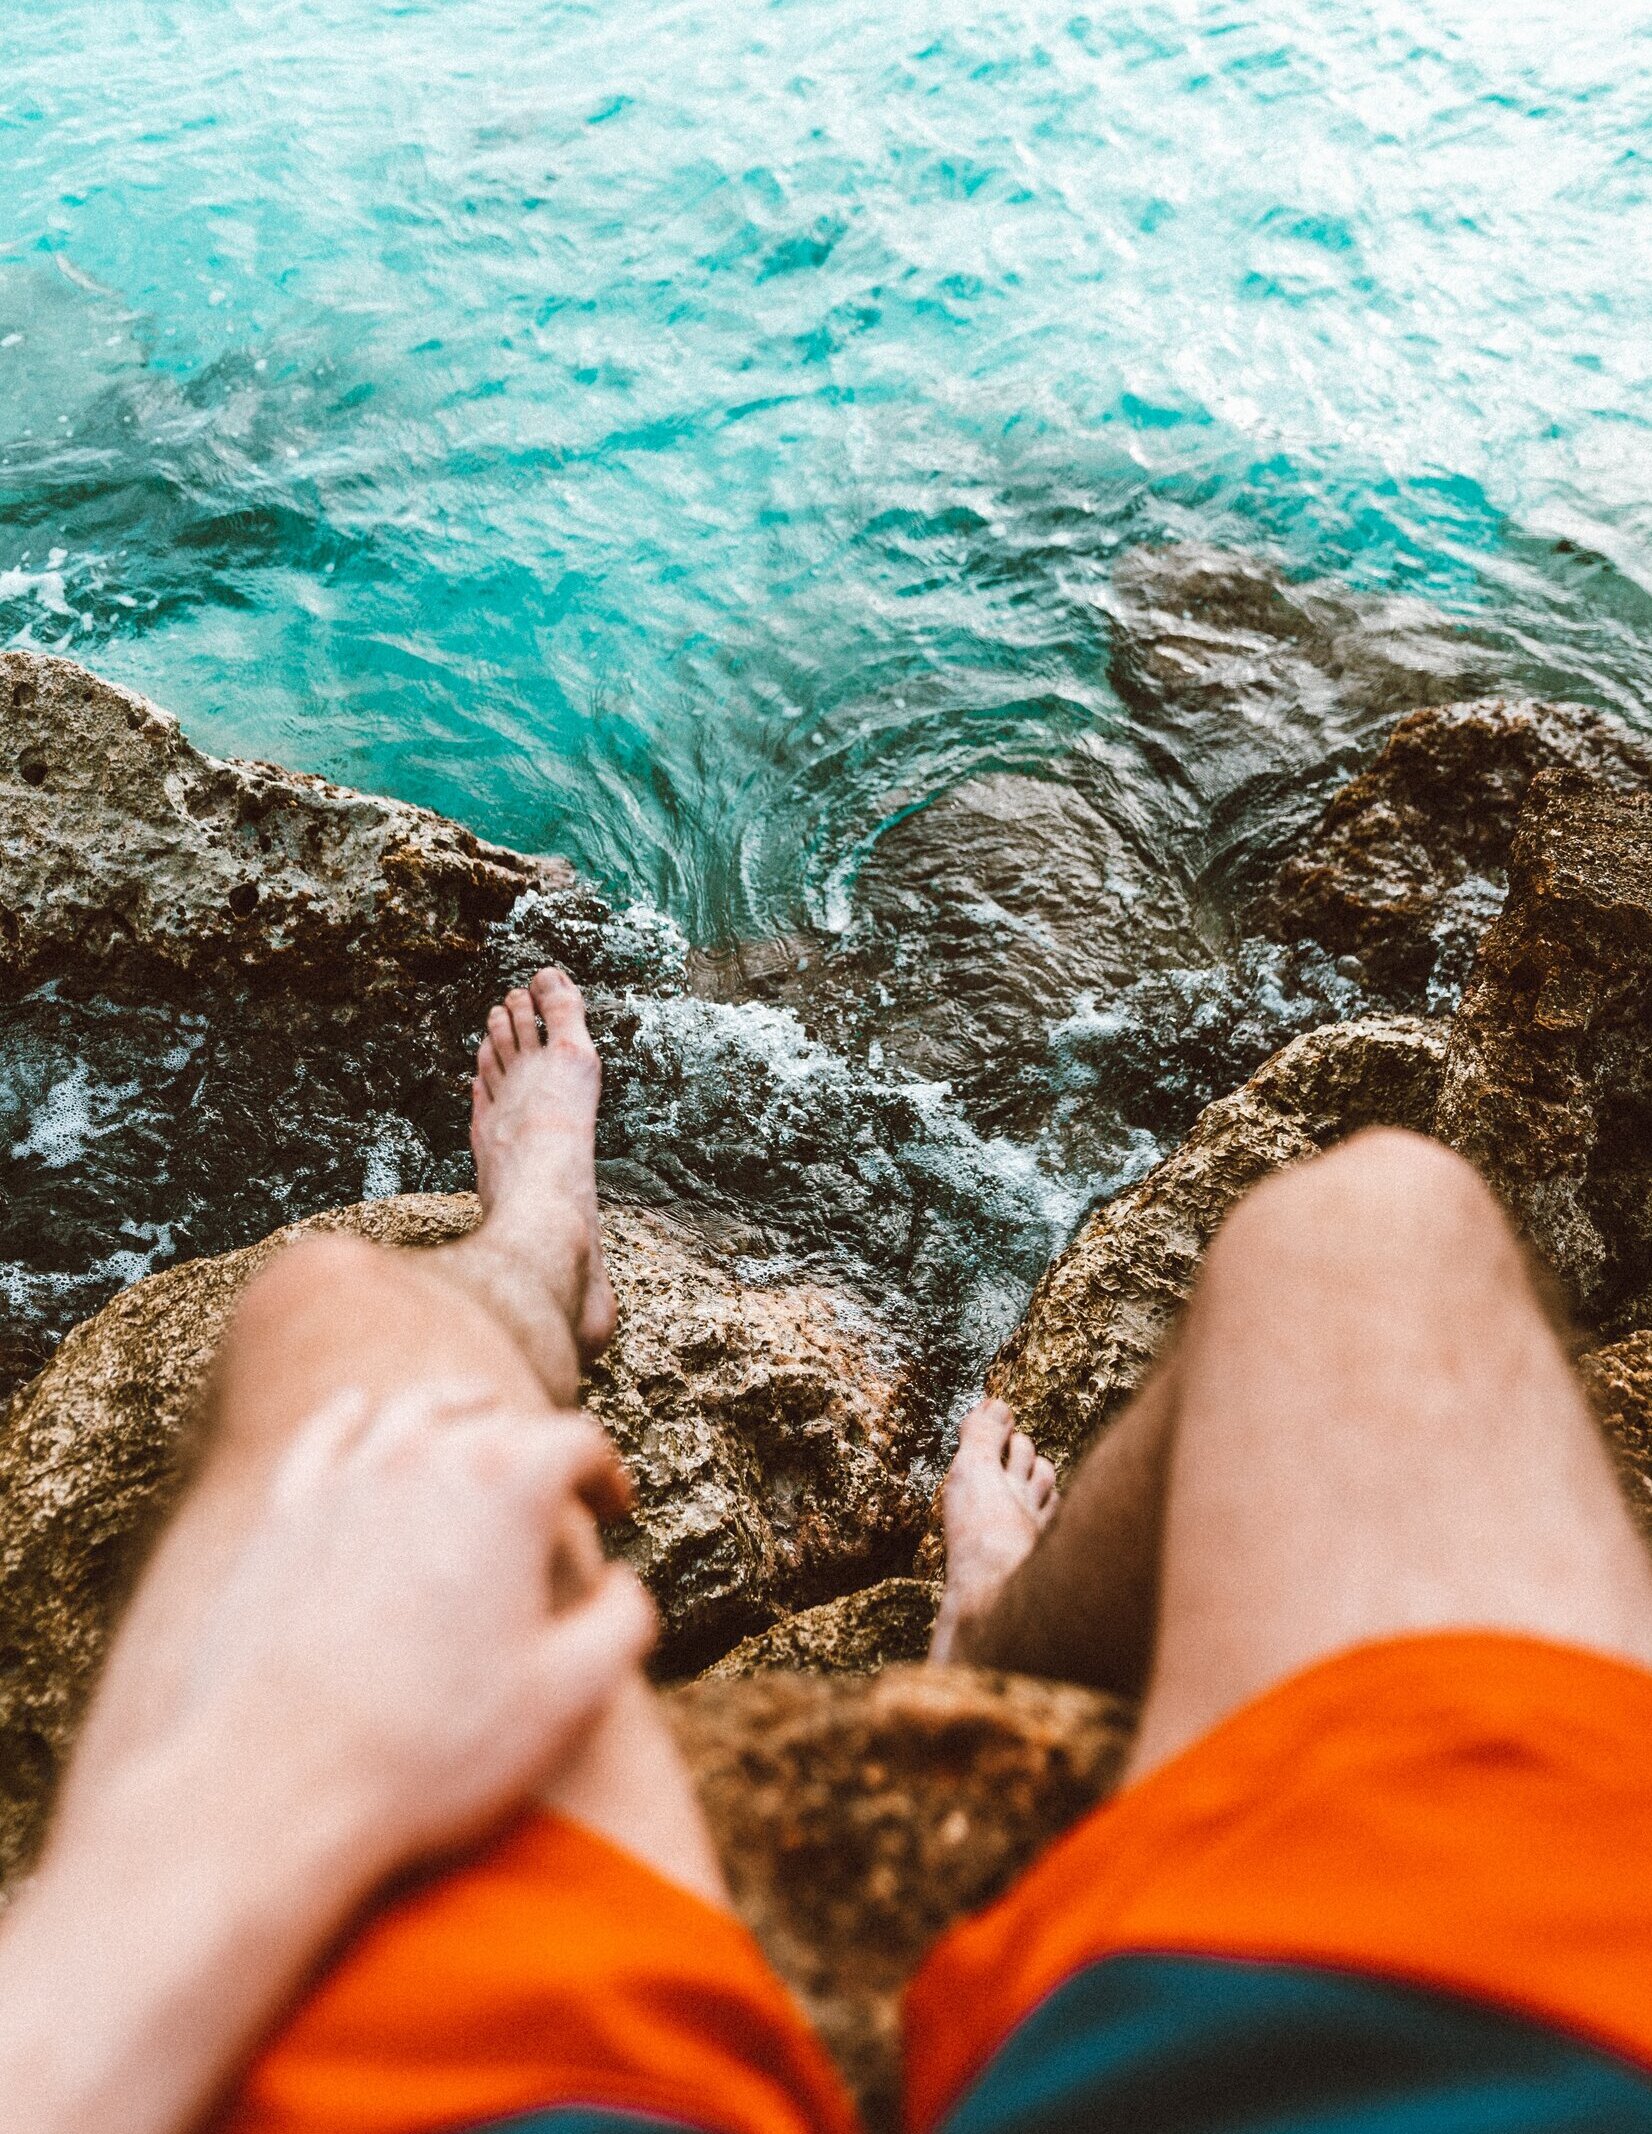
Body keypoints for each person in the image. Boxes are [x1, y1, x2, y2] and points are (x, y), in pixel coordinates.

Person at [5, 967, 1652, 2133]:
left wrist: (273, 1777)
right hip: (1487, 2075)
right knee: (1381, 1231)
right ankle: (989, 1640)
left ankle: (528, 1260)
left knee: (343, 1325)